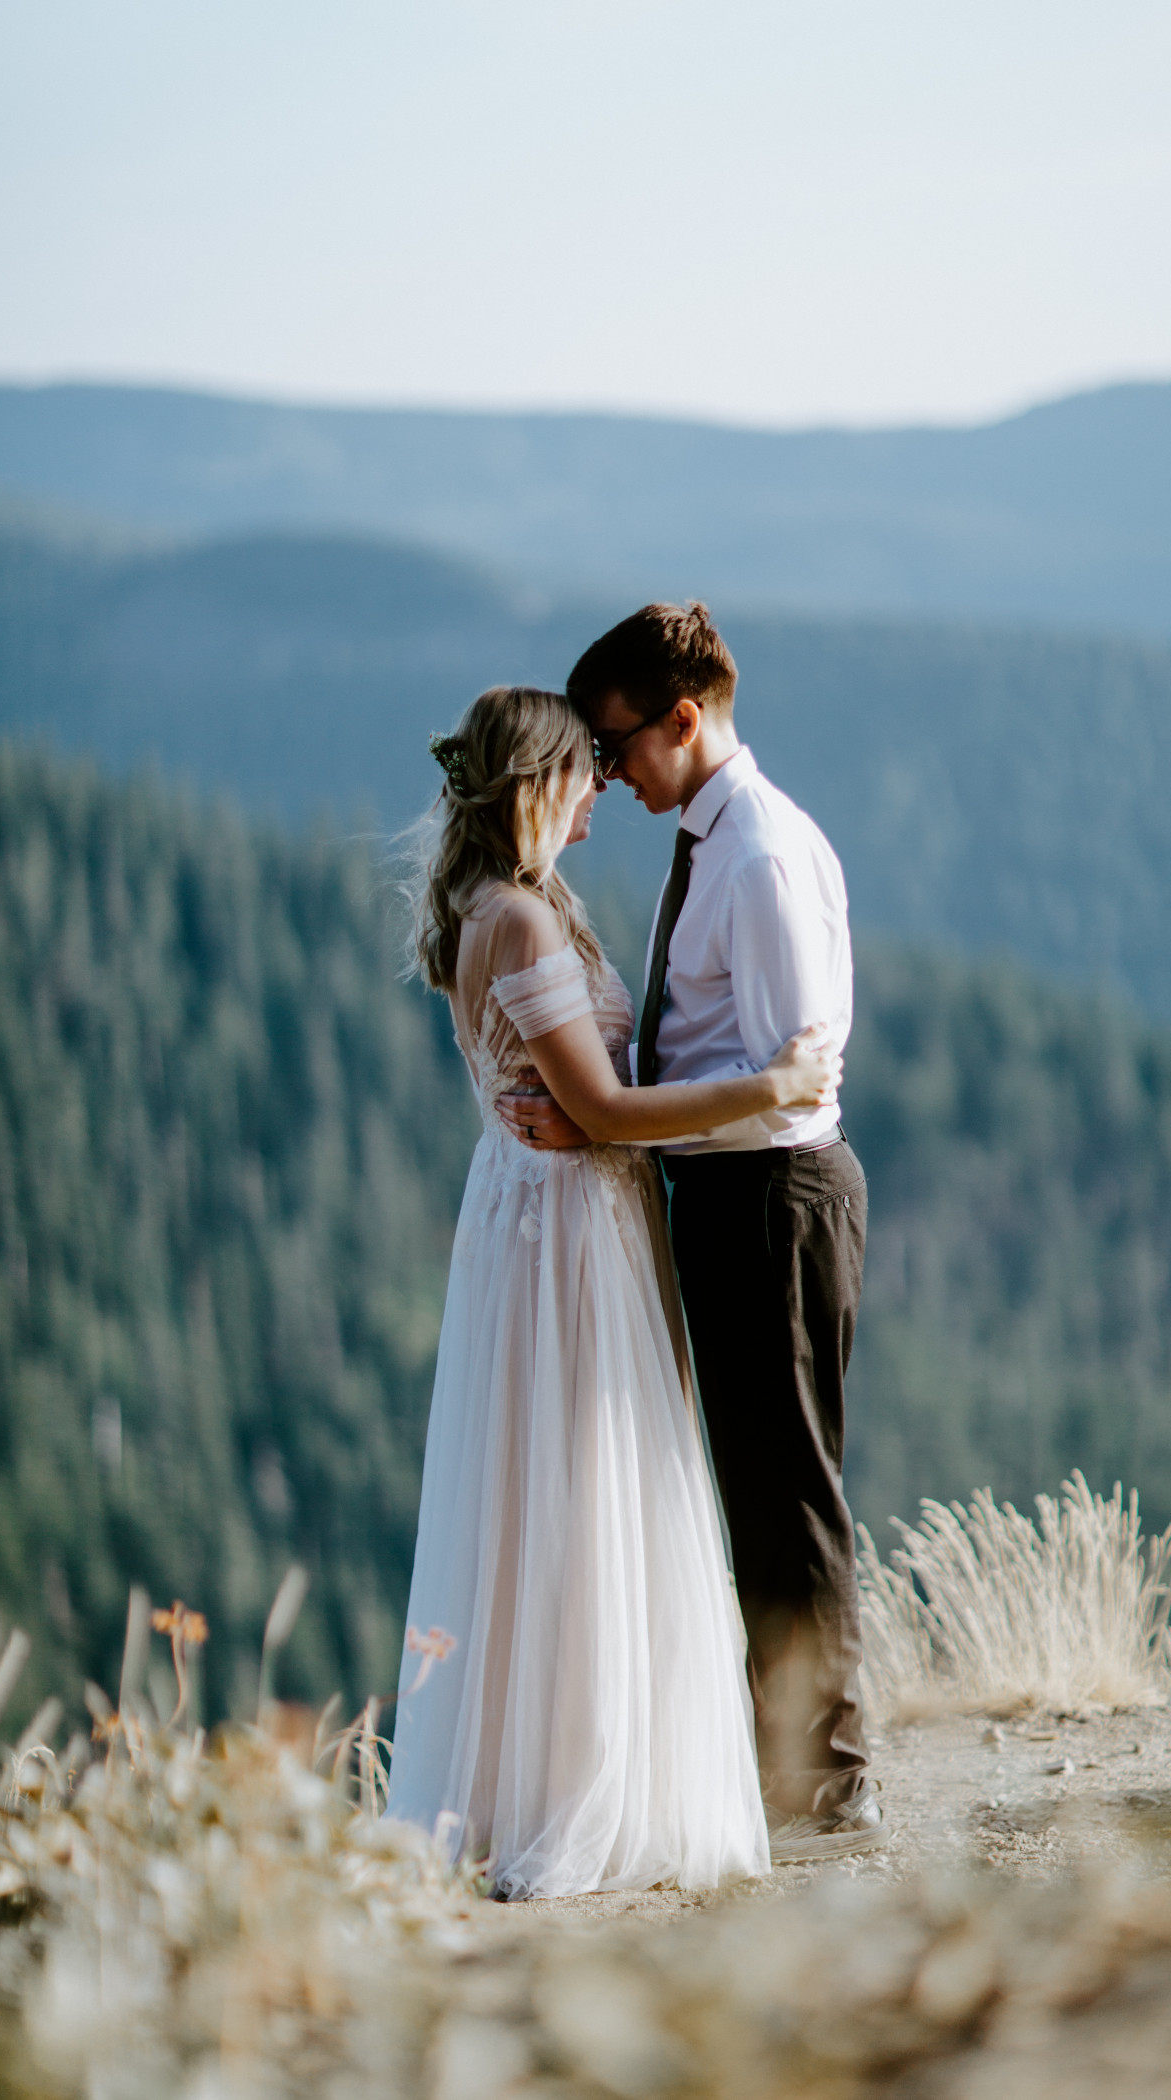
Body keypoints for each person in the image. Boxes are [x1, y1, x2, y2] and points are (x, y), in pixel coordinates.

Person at [385, 683, 840, 1900]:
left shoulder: (499, 909)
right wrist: (768, 1083)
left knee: (550, 1495)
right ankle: (580, 1789)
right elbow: (597, 1111)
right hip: (565, 1237)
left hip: (547, 1218)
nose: (600, 788)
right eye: (582, 769)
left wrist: (582, 1120)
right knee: (583, 1491)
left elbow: (572, 1100)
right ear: (535, 785)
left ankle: (538, 1772)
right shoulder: (522, 925)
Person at [503, 604, 883, 1864]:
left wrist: (613, 1130)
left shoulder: (760, 855)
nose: (604, 776)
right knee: (754, 1484)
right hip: (725, 1196)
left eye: (614, 750)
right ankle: (784, 1758)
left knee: (787, 1488)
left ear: (683, 718)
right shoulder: (713, 842)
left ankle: (826, 1782)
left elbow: (791, 1077)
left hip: (772, 1197)